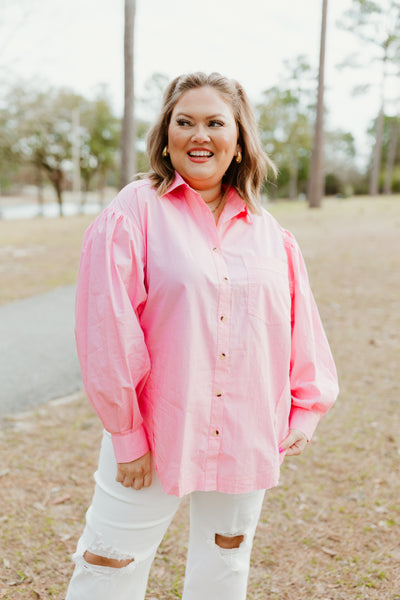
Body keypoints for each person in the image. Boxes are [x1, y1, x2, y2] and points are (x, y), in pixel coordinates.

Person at [65, 71, 339, 600]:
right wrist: (126, 436)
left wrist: (306, 411)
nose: (199, 135)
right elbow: (107, 328)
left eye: (215, 123)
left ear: (239, 142)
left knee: (225, 565)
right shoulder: (134, 211)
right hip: (154, 433)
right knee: (109, 563)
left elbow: (298, 325)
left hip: (247, 431)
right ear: (165, 136)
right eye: (184, 121)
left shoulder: (270, 234)